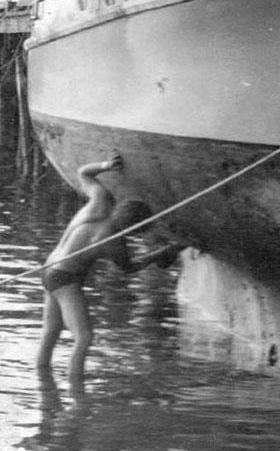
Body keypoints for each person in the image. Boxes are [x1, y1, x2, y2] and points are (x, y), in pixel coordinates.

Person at [36, 150, 179, 384]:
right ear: (132, 231)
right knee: (84, 337)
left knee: (51, 331)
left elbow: (84, 173)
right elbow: (130, 268)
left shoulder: (99, 201)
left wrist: (106, 165)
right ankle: (77, 392)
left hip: (48, 268)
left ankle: (44, 384)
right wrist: (161, 253)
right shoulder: (113, 243)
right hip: (65, 280)